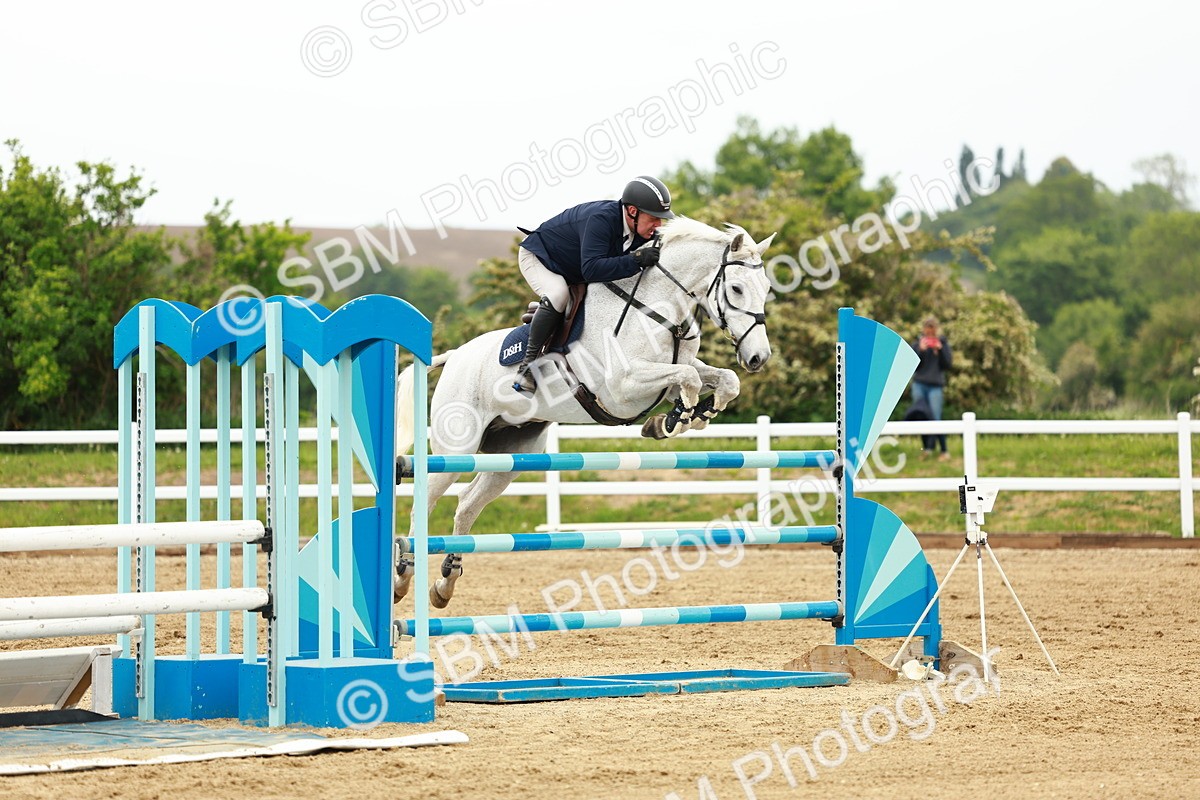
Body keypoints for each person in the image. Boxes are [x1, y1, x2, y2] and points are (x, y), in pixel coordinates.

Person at [512, 175, 675, 392]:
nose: (658, 225)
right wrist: (636, 260)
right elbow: (591, 270)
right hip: (540, 258)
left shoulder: (640, 229)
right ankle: (527, 367)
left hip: (573, 267)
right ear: (633, 212)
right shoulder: (601, 219)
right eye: (654, 218)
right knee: (559, 293)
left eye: (661, 218)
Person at [910, 316, 953, 459]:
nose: (930, 333)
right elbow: (912, 365)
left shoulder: (943, 343)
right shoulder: (917, 344)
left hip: (935, 385)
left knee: (936, 417)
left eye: (932, 330)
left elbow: (948, 365)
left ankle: (944, 450)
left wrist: (940, 350)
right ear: (924, 330)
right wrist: (921, 350)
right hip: (919, 384)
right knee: (922, 416)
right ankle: (927, 449)